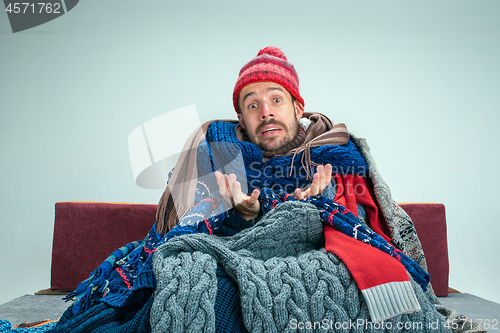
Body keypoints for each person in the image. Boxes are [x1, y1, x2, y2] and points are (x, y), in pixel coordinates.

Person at [52, 47, 482, 333]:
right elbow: (183, 236)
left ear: (298, 107)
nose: (266, 111)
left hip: (322, 260)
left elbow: (368, 238)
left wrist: (318, 212)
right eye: (252, 104)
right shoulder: (221, 152)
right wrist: (241, 216)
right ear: (241, 118)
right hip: (235, 260)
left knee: (334, 283)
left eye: (276, 99)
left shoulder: (335, 155)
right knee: (191, 282)